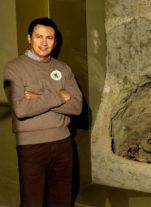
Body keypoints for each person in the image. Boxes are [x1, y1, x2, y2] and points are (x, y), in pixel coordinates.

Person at [3, 17, 82, 206]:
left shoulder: (63, 69)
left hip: (63, 144)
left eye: (49, 38)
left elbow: (77, 106)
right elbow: (21, 109)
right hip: (31, 147)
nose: (44, 42)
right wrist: (59, 96)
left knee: (61, 202)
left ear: (55, 41)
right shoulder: (14, 68)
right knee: (32, 202)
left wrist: (38, 98)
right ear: (29, 38)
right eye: (39, 36)